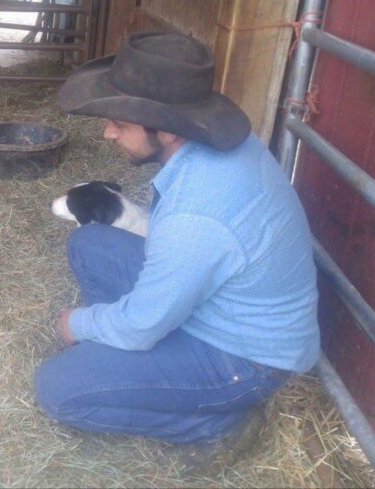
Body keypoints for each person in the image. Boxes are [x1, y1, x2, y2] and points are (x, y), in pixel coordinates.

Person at [34, 31, 321, 472]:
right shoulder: (211, 151)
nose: (108, 132)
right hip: (219, 306)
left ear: (166, 130)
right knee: (89, 241)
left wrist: (78, 323)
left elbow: (141, 326)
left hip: (243, 357)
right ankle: (129, 368)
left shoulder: (197, 214)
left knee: (57, 388)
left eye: (121, 123)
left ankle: (214, 426)